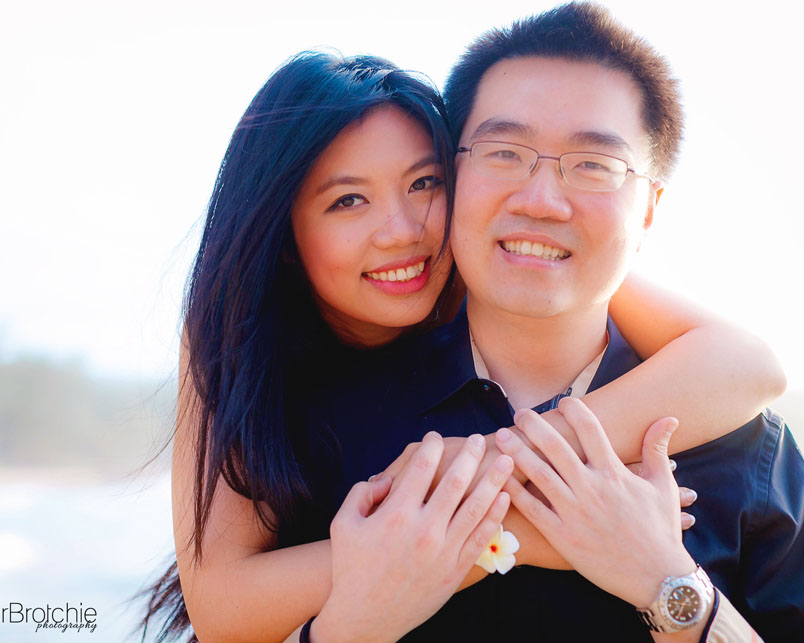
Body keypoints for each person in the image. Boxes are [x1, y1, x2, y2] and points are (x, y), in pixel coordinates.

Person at [139, 49, 787, 642]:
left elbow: (748, 364)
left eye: (423, 184)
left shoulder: (517, 263)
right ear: (281, 233)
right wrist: (509, 527)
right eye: (348, 200)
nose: (400, 231)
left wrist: (494, 468)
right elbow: (223, 609)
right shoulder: (236, 343)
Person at [297, 3, 804, 641]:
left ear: (648, 209)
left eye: (594, 165)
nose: (540, 200)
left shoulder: (746, 446)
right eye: (505, 152)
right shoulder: (324, 423)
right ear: (452, 173)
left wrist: (667, 583)